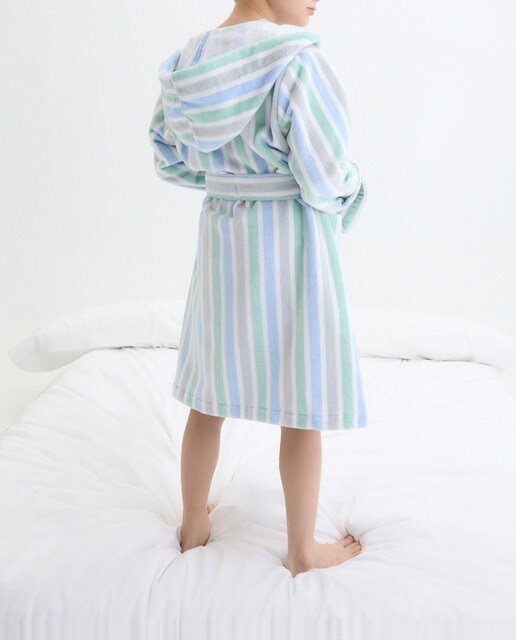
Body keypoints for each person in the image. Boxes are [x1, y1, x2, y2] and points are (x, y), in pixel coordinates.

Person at [148, 0, 367, 577]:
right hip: (290, 239)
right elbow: (323, 173)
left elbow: (168, 158)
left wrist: (228, 179)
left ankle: (193, 526)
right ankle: (302, 551)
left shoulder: (189, 62)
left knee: (208, 395)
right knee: (301, 396)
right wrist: (351, 187)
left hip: (223, 236)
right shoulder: (296, 60)